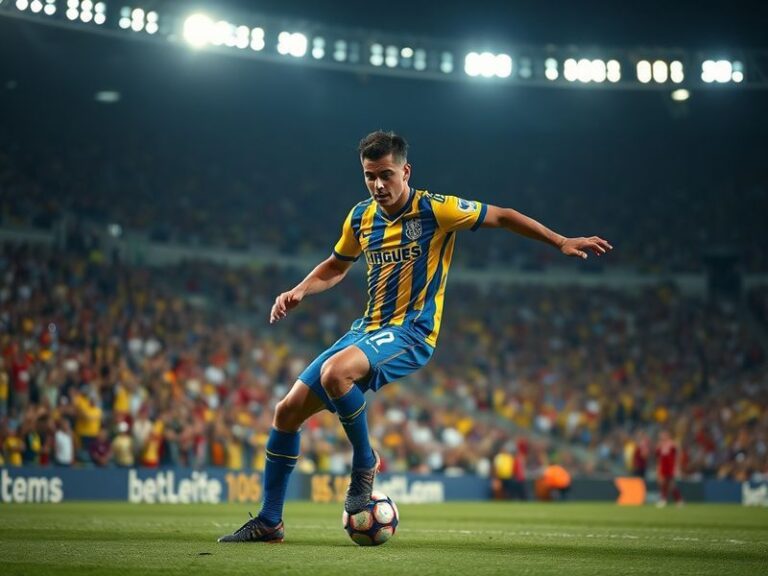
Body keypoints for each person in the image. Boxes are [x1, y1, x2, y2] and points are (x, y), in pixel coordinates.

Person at [218, 130, 612, 543]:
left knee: (337, 375)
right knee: (286, 412)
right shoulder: (361, 217)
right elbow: (336, 265)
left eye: (386, 174)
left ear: (406, 171)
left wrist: (561, 241)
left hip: (412, 331)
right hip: (366, 329)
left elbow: (504, 215)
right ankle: (270, 520)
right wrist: (300, 289)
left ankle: (365, 463)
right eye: (370, 176)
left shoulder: (435, 209)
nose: (378, 185)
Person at [655, 430, 683, 507]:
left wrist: (677, 466)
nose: (662, 437)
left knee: (671, 484)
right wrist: (658, 467)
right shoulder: (660, 445)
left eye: (664, 435)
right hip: (663, 467)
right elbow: (658, 457)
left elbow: (678, 455)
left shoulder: (672, 444)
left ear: (668, 435)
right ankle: (663, 499)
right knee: (663, 483)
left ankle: (678, 500)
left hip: (670, 467)